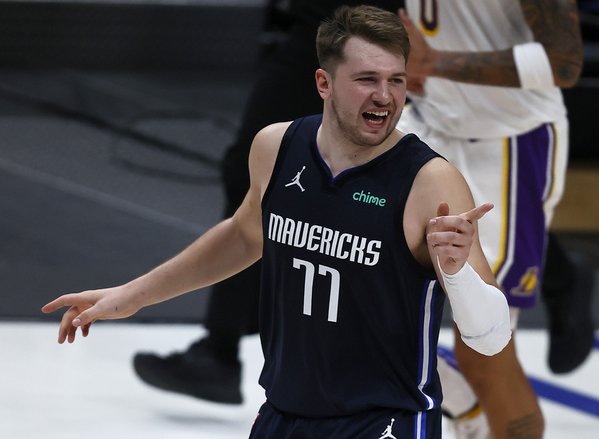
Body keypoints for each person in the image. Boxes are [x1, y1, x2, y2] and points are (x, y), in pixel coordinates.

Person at [42, 6, 514, 438]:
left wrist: (457, 274)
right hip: (284, 415)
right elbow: (244, 235)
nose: (385, 96)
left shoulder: (430, 182)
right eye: (367, 79)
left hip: (384, 420)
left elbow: (491, 339)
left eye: (396, 80)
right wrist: (130, 296)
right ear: (323, 84)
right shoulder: (277, 147)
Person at [131, 0, 405, 406]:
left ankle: (225, 349)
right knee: (296, 186)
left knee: (270, 183)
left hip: (341, 29)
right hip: (352, 32)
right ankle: (251, 345)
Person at [394, 0, 593, 437]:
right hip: (426, 121)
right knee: (351, 299)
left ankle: (482, 422)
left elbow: (564, 61)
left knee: (483, 351)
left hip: (507, 143)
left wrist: (437, 62)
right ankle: (471, 420)